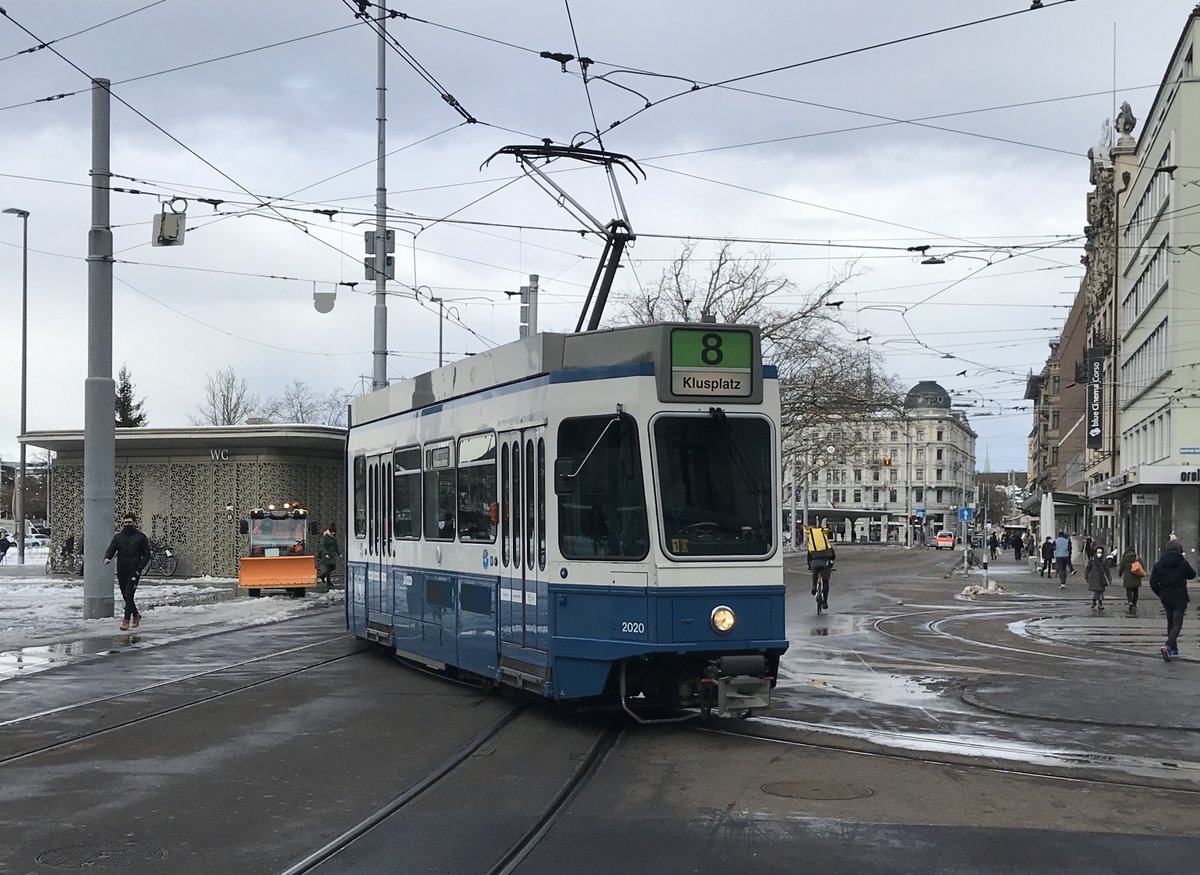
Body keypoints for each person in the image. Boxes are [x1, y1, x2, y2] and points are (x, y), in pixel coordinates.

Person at [1149, 539, 1196, 661]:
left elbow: (1153, 583)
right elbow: (1193, 575)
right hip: (1179, 597)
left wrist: (1160, 593)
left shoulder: (1159, 565)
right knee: (1177, 624)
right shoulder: (1183, 563)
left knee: (1170, 622)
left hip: (1166, 597)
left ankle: (1173, 649)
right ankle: (1168, 645)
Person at [103, 513, 151, 631]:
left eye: (129, 522)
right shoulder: (118, 537)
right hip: (121, 569)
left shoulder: (140, 537)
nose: (127, 525)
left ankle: (126, 621)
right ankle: (136, 614)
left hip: (134, 570)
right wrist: (107, 557)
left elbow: (147, 554)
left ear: (134, 523)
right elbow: (112, 548)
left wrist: (140, 566)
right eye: (125, 523)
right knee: (125, 596)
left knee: (129, 595)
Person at [806, 525, 836, 610]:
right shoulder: (826, 543)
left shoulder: (812, 544)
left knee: (815, 572)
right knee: (825, 581)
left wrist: (809, 565)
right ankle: (825, 602)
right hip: (825, 563)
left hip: (815, 563)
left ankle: (814, 586)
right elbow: (833, 556)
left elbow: (809, 557)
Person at [1117, 546, 1146, 611]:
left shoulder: (1124, 558)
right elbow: (1142, 566)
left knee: (1128, 591)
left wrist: (1120, 574)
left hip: (1128, 577)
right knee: (1136, 591)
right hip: (1136, 576)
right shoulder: (1137, 557)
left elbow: (1121, 567)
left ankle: (1130, 602)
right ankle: (1134, 604)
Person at [318, 523, 340, 589]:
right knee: (329, 568)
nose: (333, 533)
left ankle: (322, 576)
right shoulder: (326, 537)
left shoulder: (333, 538)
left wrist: (338, 553)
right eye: (332, 532)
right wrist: (326, 554)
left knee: (333, 567)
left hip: (332, 555)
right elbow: (323, 546)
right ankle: (328, 582)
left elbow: (336, 546)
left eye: (334, 532)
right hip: (327, 555)